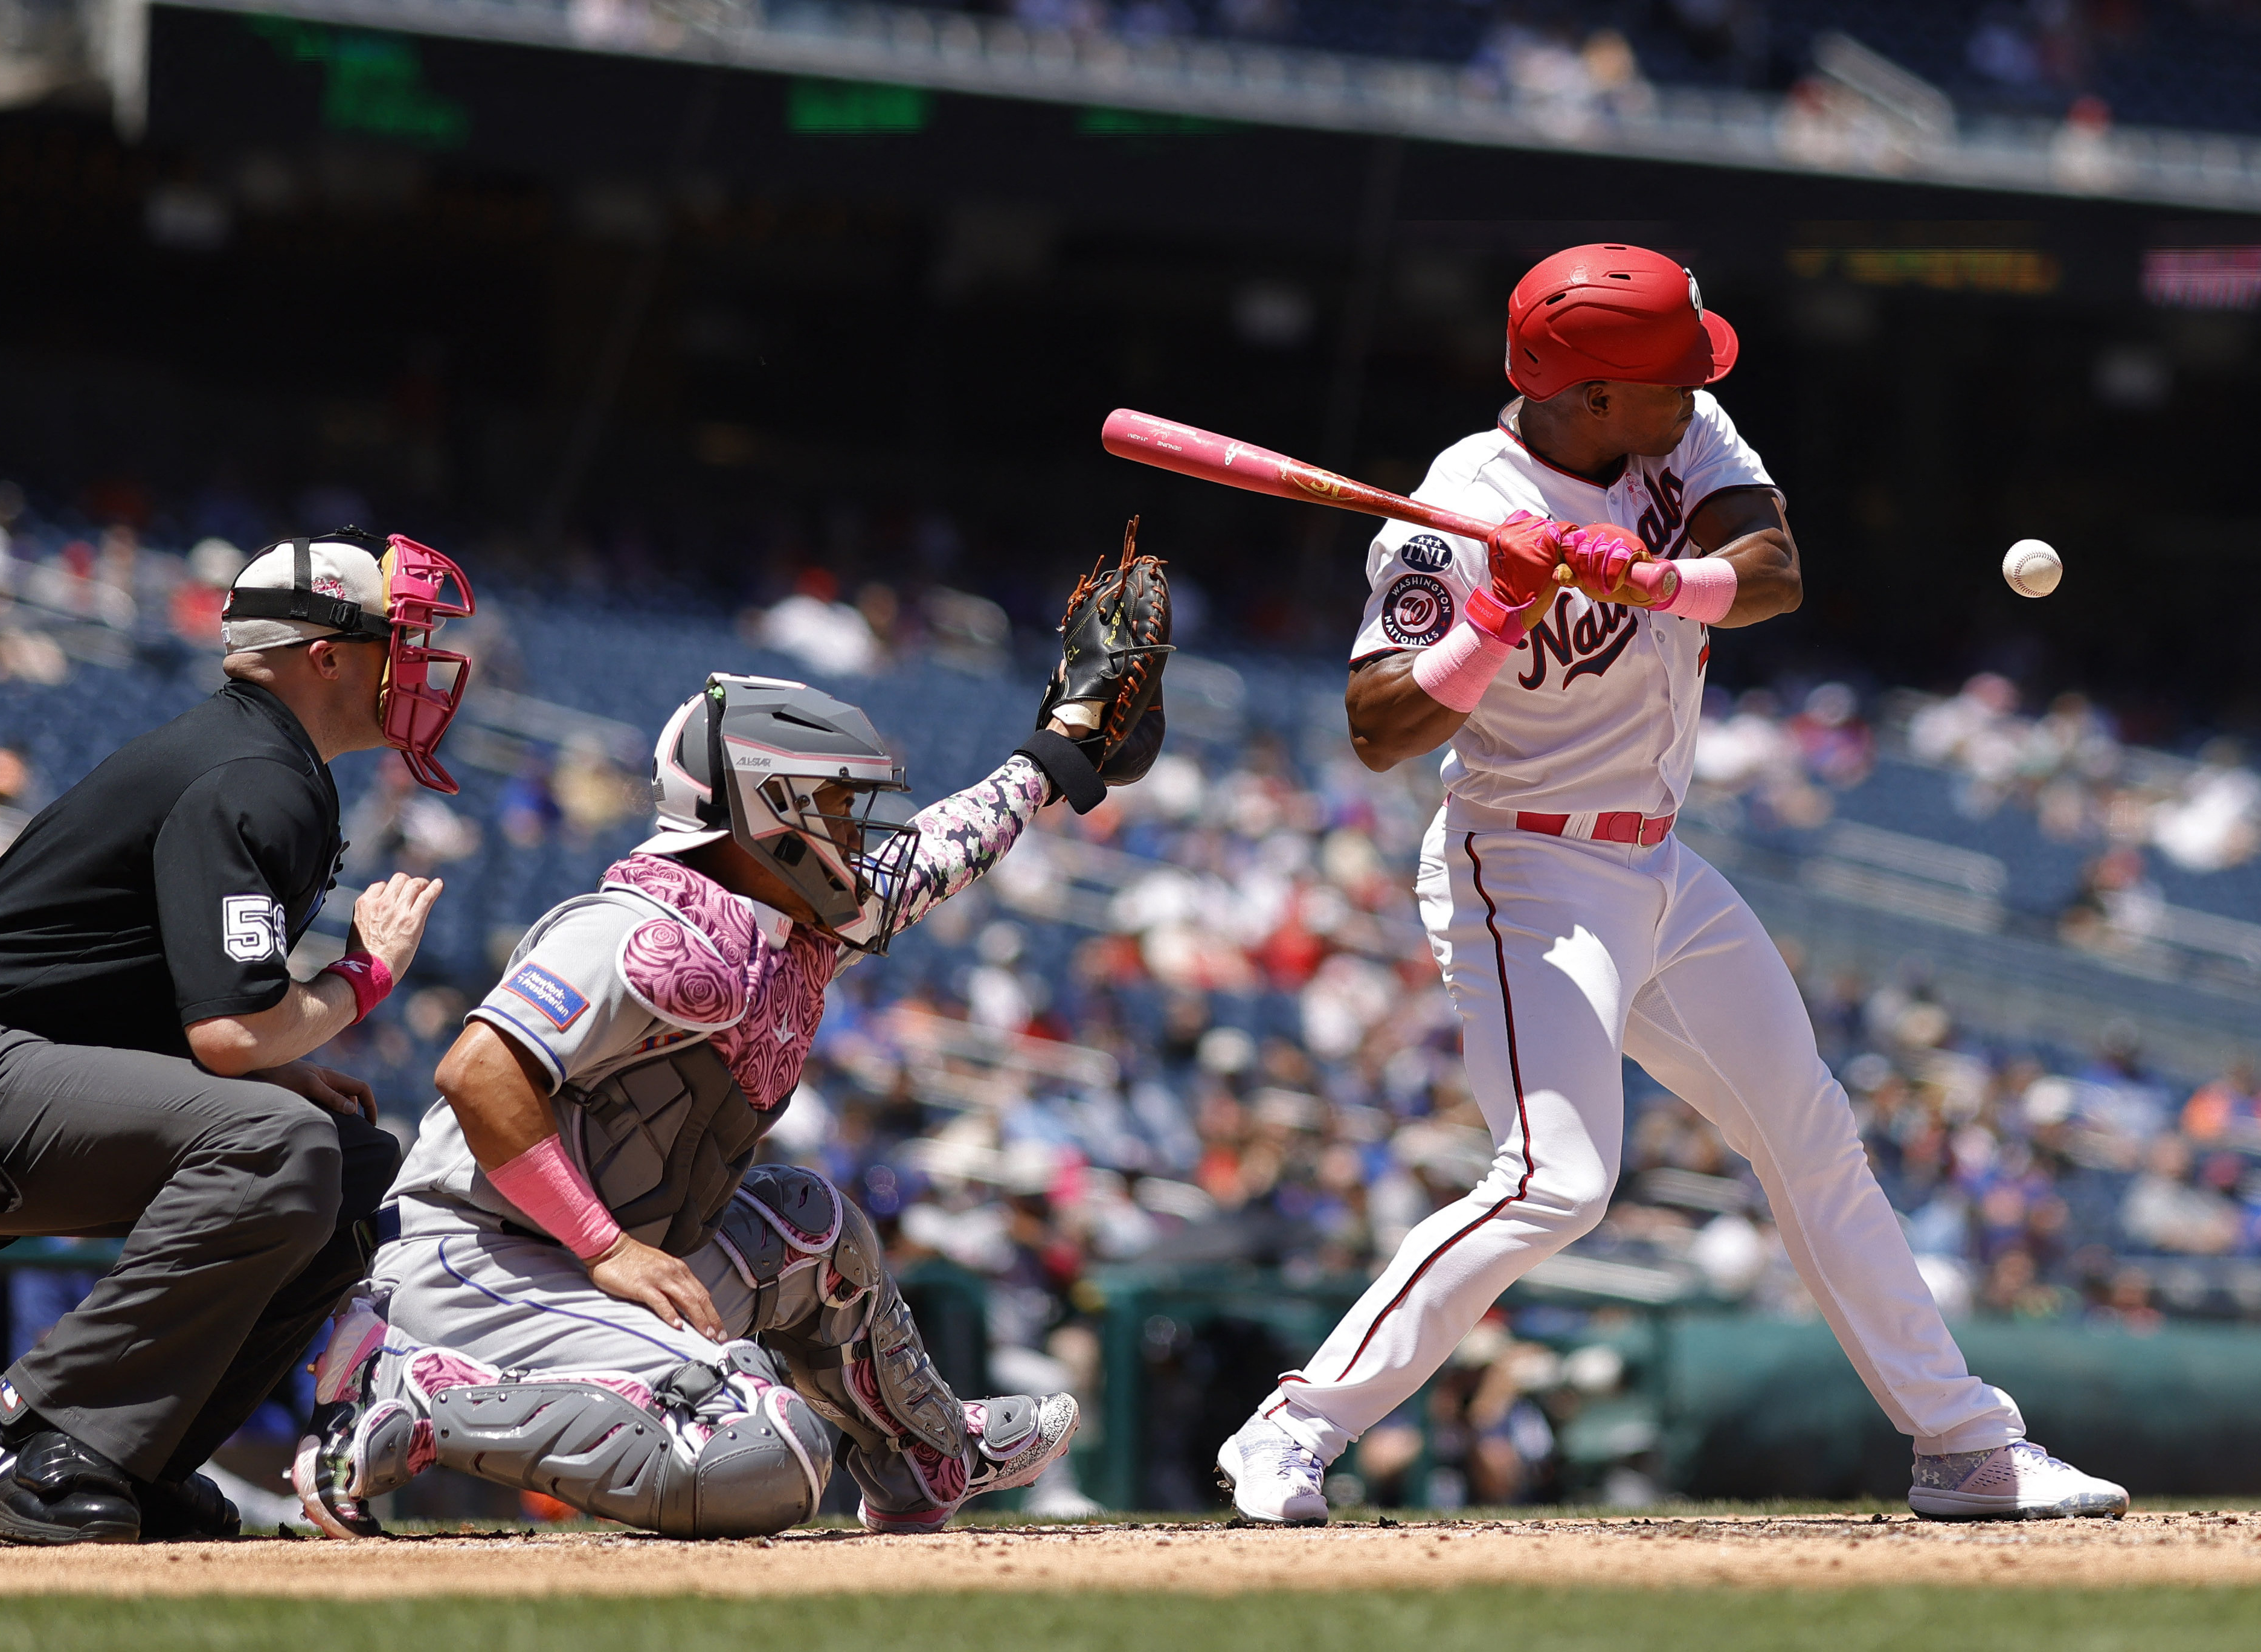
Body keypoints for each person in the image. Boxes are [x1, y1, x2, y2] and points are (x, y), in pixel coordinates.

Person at [1212, 245, 2126, 1525]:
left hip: (1656, 862)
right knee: (1557, 1181)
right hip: (1518, 865)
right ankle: (1293, 1426)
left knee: (1807, 1130)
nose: (1696, 386)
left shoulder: (1680, 429)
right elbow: (1374, 728)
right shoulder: (1455, 506)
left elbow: (1769, 569)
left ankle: (1964, 1446)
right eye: (1668, 374)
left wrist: (1654, 578)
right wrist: (1493, 619)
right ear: (1587, 395)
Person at [294, 654, 1168, 1540]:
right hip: (476, 1263)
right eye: (836, 804)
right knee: (767, 1450)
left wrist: (1053, 754)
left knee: (812, 1232)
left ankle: (928, 1453)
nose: (858, 833)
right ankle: (416, 1396)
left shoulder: (780, 917)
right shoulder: (637, 928)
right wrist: (603, 1248)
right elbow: (476, 1072)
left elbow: (932, 855)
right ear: (768, 807)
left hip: (591, 1261)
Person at [0, 529, 477, 1544]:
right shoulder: (252, 772)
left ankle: (138, 1455)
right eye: (400, 638)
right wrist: (363, 978)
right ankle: (45, 1441)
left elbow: (191, 1020)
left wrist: (284, 1060)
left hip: (14, 1072)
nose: (420, 662)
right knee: (280, 1144)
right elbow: (231, 1035)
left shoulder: (261, 759)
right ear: (326, 655)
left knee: (355, 1165)